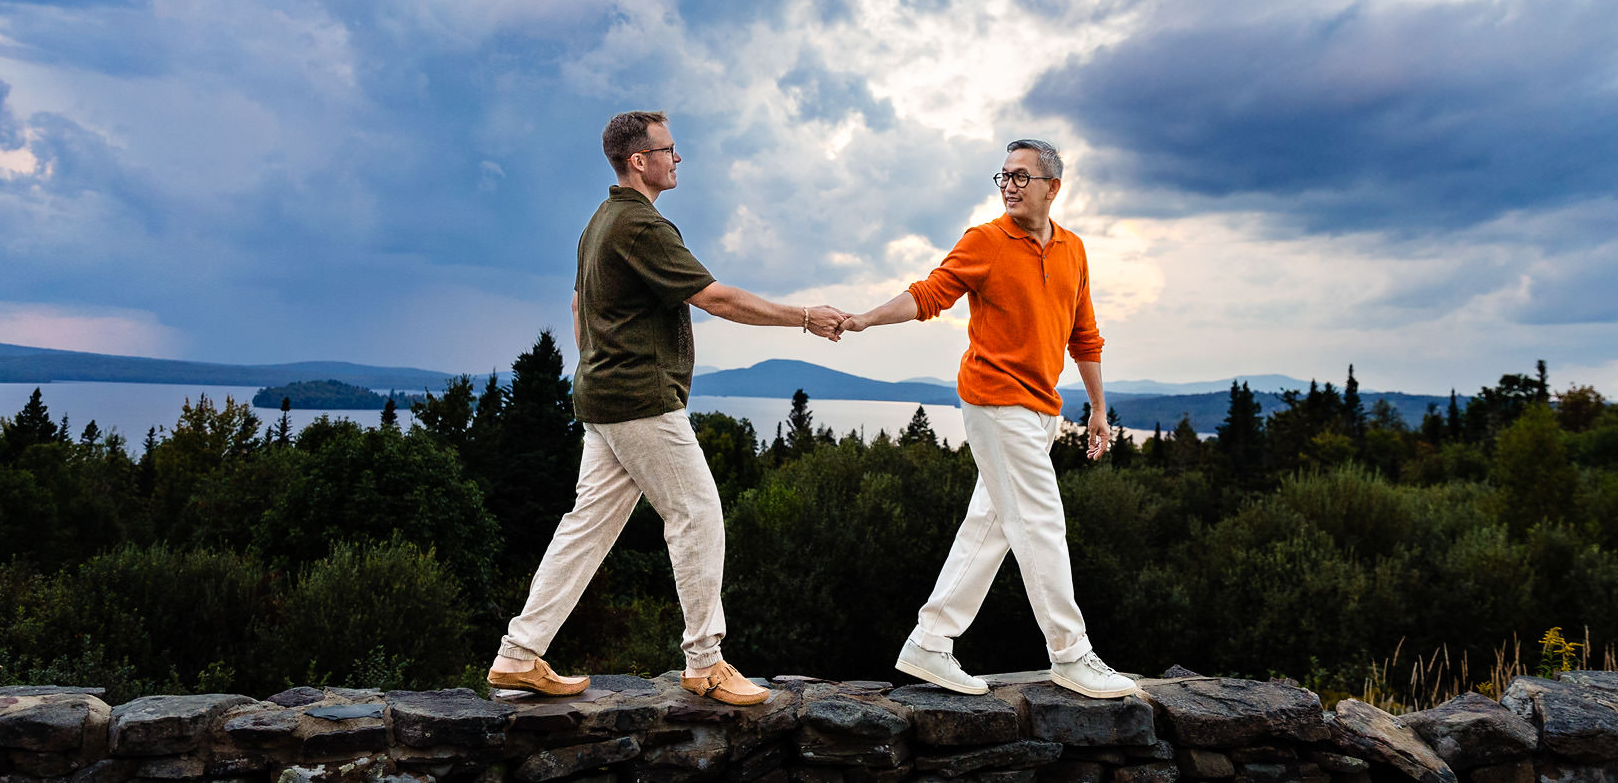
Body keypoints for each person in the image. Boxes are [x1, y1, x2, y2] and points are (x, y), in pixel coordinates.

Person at [487, 110, 847, 704]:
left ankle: (518, 654)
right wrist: (804, 317)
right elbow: (717, 298)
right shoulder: (641, 226)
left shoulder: (599, 222)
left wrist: (597, 367)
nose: (677, 158)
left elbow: (579, 306)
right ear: (639, 160)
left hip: (603, 399)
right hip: (641, 401)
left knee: (586, 528)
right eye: (669, 149)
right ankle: (705, 663)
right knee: (698, 515)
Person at [840, 138, 1136, 699]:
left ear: (1053, 186)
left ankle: (930, 642)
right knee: (1042, 523)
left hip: (1041, 410)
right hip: (996, 403)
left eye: (1022, 176)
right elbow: (931, 293)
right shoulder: (986, 241)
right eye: (1003, 177)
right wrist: (867, 319)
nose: (1010, 186)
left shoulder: (1073, 249)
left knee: (991, 527)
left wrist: (1097, 409)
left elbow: (1084, 335)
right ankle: (1071, 654)